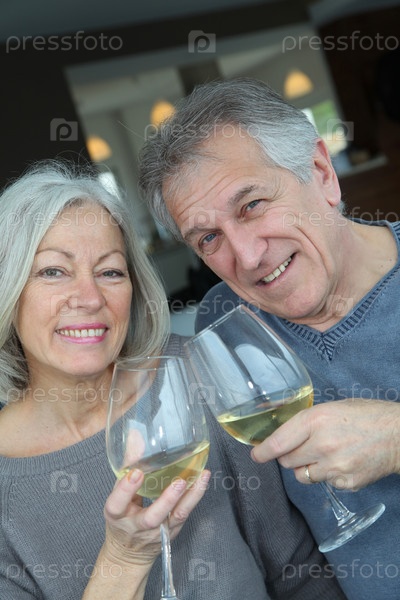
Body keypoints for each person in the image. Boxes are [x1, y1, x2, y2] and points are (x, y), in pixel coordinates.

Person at [0, 160, 345, 600]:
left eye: (110, 272)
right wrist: (124, 560)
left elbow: (298, 573)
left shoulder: (192, 374)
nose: (89, 298)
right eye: (53, 271)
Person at [138, 77, 400, 600]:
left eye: (253, 204)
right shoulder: (224, 321)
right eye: (208, 238)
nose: (248, 255)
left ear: (321, 173)